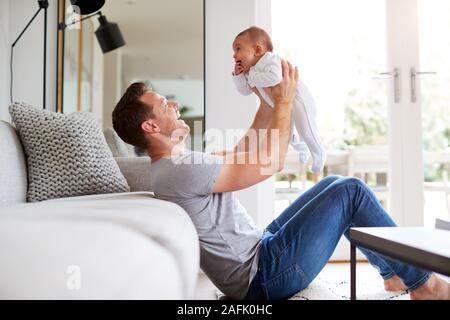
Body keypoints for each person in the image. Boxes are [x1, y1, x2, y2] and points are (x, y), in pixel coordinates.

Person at [112, 61, 449, 300]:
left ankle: (392, 275)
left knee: (334, 184)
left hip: (261, 248)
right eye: (162, 104)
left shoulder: (176, 165)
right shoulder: (180, 169)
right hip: (264, 278)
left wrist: (264, 100)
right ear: (150, 128)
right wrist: (285, 101)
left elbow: (244, 150)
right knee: (351, 191)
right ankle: (425, 285)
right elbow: (268, 163)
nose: (172, 103)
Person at [232, 26, 326, 173]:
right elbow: (245, 91)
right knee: (292, 135)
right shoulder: (250, 71)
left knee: (306, 130)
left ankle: (319, 154)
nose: (234, 55)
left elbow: (274, 77)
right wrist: (238, 77)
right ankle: (303, 150)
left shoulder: (270, 60)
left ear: (257, 50)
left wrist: (251, 78)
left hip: (300, 101)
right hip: (281, 104)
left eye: (238, 49)